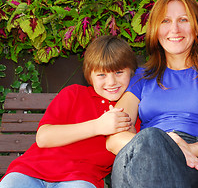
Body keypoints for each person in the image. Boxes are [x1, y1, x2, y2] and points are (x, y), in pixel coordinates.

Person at [105, 0, 198, 188]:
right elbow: (114, 140)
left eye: (183, 20)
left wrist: (183, 148)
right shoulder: (141, 77)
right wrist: (163, 144)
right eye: (165, 21)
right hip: (143, 152)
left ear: (197, 28)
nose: (174, 29)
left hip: (194, 160)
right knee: (150, 139)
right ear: (155, 30)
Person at [0, 35, 138, 188]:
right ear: (89, 77)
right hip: (31, 171)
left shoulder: (132, 109)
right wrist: (98, 126)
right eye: (101, 75)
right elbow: (43, 137)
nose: (111, 82)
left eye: (119, 72)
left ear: (131, 72)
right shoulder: (74, 94)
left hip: (80, 179)